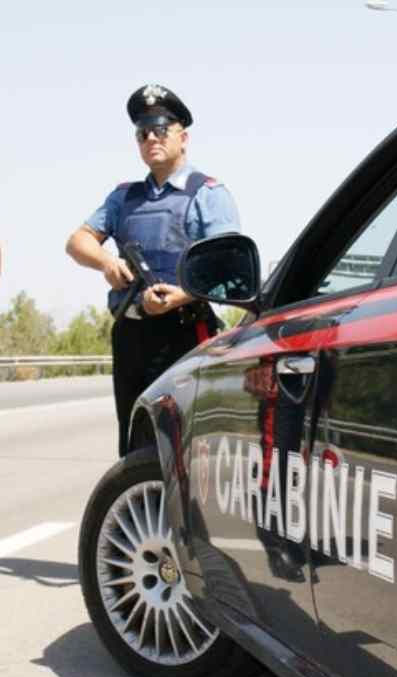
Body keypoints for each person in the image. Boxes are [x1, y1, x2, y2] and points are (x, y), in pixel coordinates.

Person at [66, 84, 240, 457]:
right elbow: (77, 241)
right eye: (143, 132)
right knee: (134, 444)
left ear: (183, 136)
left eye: (161, 128)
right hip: (131, 333)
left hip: (184, 332)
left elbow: (227, 265)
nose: (151, 138)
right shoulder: (123, 196)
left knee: (186, 445)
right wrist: (107, 262)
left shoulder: (208, 194)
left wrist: (184, 294)